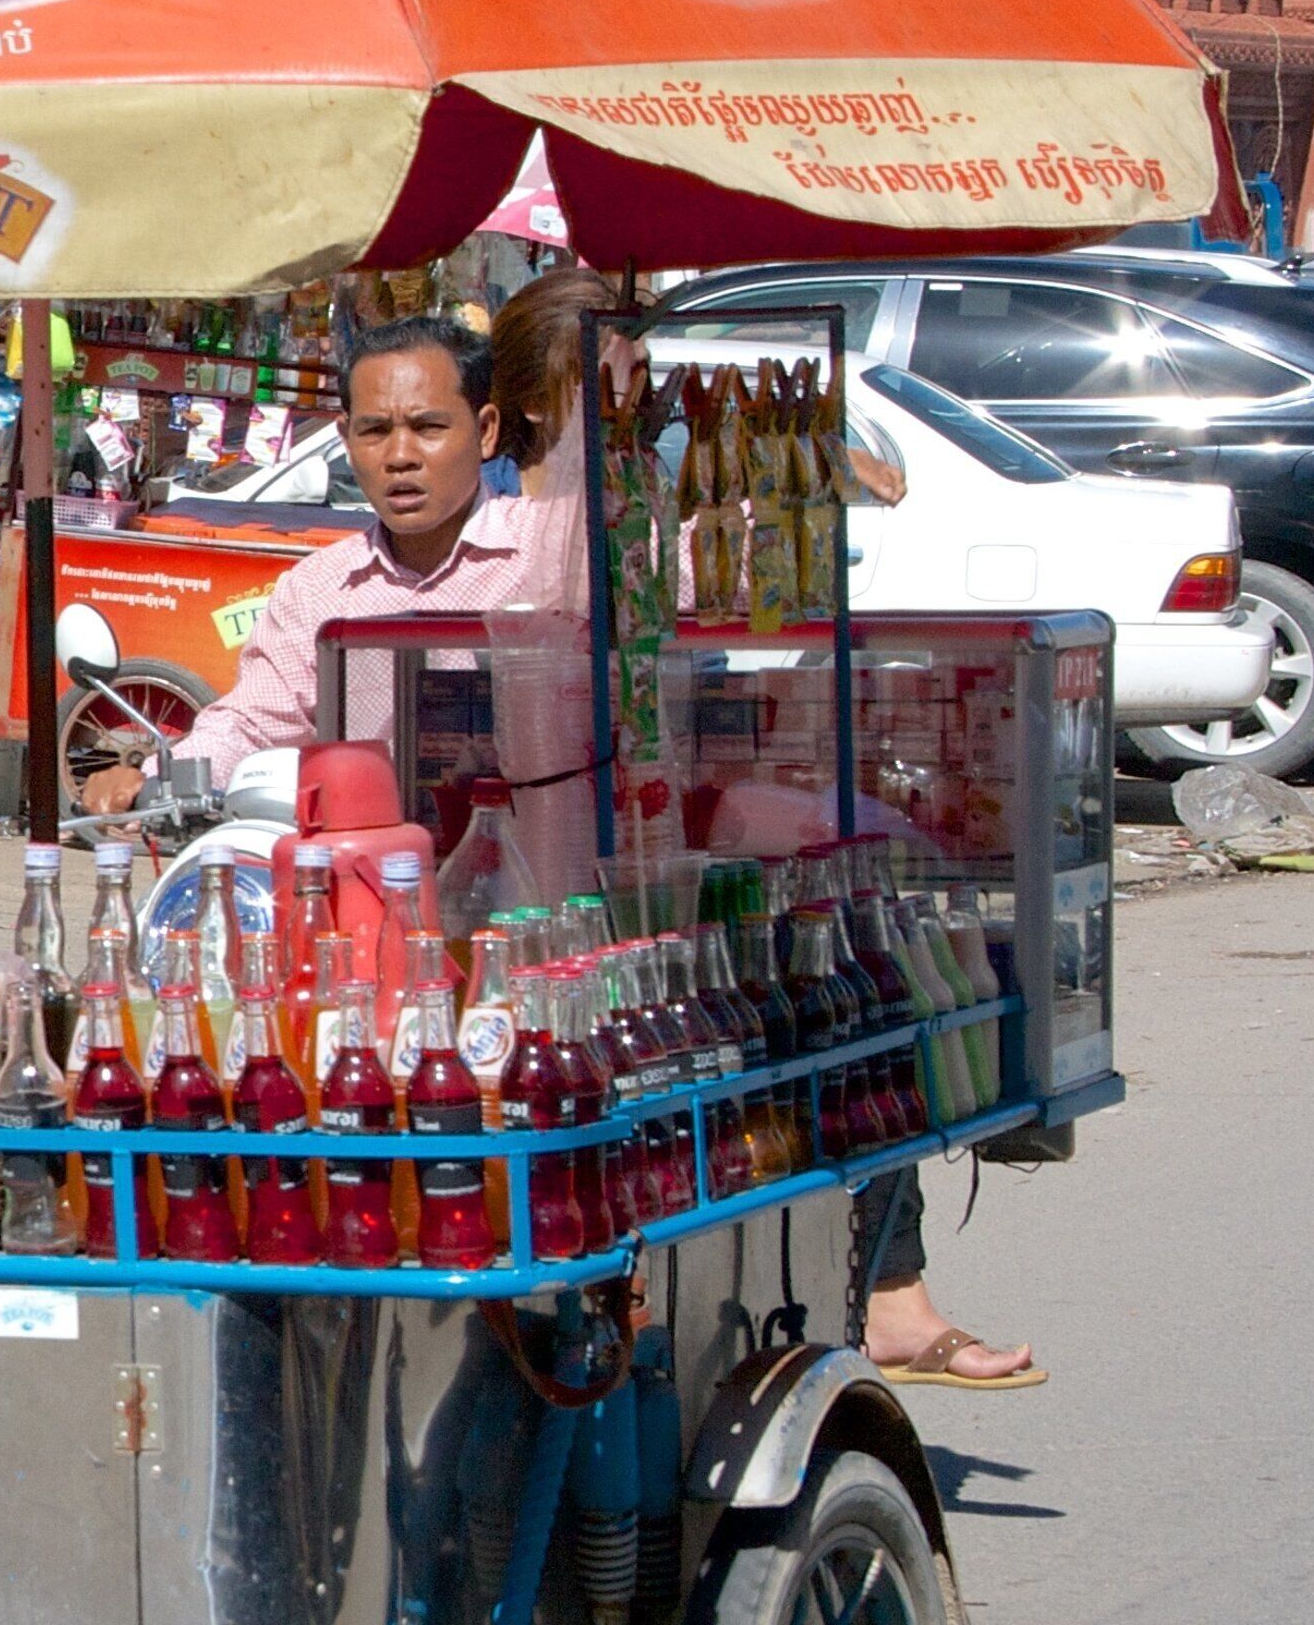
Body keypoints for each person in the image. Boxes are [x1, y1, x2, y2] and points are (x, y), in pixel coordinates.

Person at [494, 268, 1031, 1387]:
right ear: (539, 395)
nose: (628, 389)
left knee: (852, 978)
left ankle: (893, 1291)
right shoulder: (512, 536)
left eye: (637, 365)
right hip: (537, 875)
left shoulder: (662, 520)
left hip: (676, 836)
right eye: (602, 368)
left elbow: (792, 558)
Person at [80, 316, 519, 816]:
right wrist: (151, 779)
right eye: (375, 431)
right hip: (360, 870)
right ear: (346, 439)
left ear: (484, 432)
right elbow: (253, 724)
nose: (400, 456)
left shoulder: (554, 558)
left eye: (428, 428)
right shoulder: (318, 590)